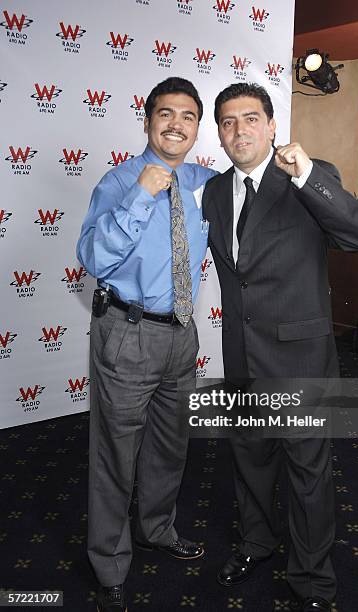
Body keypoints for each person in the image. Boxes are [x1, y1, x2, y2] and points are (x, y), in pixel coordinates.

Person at [202, 82, 358, 612]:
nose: (240, 131)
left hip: (300, 359)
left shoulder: (308, 174)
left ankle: (313, 580)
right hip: (242, 356)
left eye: (251, 118)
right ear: (219, 133)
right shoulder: (212, 191)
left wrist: (304, 175)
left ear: (273, 125)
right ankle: (258, 543)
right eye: (228, 122)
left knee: (306, 474)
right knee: (250, 461)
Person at [77, 77, 216, 612]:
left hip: (183, 334)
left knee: (170, 444)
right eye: (165, 114)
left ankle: (158, 529)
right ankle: (109, 561)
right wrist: (143, 196)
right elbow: (93, 258)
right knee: (116, 451)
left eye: (186, 115)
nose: (175, 124)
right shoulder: (118, 181)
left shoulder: (208, 182)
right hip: (127, 335)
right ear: (148, 121)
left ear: (196, 126)